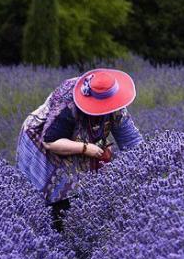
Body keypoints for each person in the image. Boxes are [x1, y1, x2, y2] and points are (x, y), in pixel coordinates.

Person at [15, 68, 144, 232]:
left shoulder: (115, 103)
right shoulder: (68, 103)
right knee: (60, 197)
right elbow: (51, 141)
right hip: (45, 143)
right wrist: (85, 148)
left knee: (89, 192)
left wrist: (145, 170)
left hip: (81, 142)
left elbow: (132, 141)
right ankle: (55, 235)